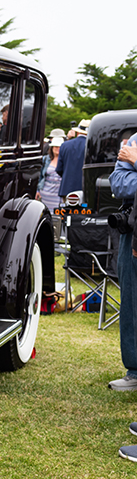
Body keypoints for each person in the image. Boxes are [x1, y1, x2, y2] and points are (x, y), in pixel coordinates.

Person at [108, 134, 137, 393]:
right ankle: (135, 370)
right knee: (130, 297)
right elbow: (119, 184)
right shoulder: (136, 139)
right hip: (133, 228)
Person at [56, 119, 90, 199]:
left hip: (67, 188)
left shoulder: (65, 145)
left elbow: (59, 169)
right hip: (86, 189)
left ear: (78, 132)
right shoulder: (93, 146)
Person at [36, 136, 63, 210]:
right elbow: (40, 175)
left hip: (59, 193)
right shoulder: (46, 159)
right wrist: (37, 190)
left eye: (60, 147)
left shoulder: (65, 160)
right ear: (52, 147)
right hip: (46, 192)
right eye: (56, 146)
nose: (58, 148)